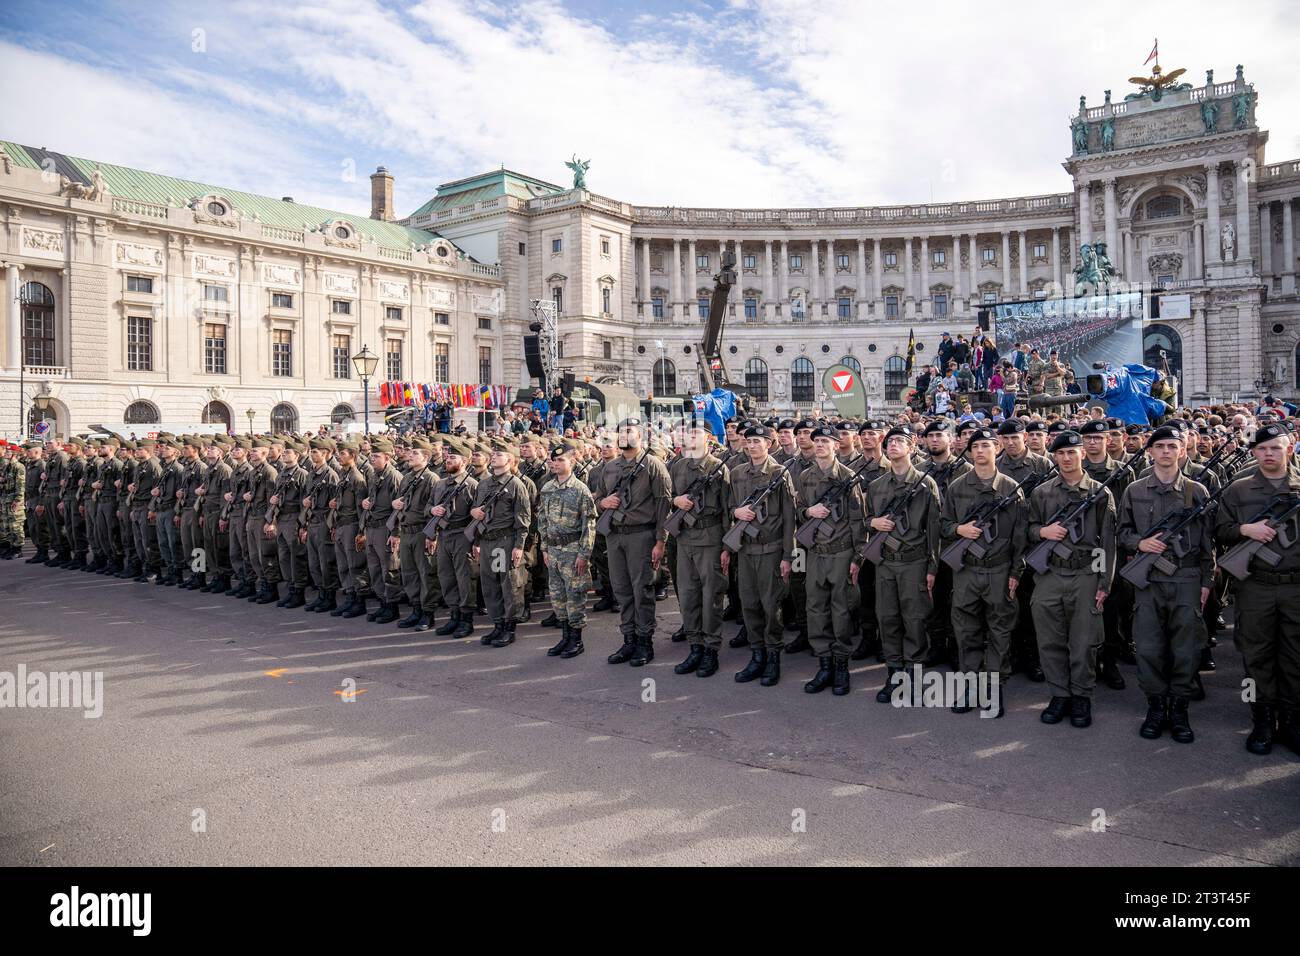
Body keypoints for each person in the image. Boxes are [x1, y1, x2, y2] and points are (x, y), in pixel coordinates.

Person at [1117, 425, 1214, 744]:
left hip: (1185, 578)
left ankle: (1180, 709)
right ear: (1150, 451)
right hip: (1149, 580)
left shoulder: (1194, 491)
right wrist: (1140, 544)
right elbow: (1123, 533)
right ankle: (1156, 707)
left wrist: (1206, 581)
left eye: (1173, 446)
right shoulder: (1136, 490)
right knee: (1148, 647)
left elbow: (1206, 543)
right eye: (1160, 447)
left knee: (1185, 649)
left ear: (1182, 450)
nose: (1167, 452)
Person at [1215, 423, 1300, 756]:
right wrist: (1244, 529)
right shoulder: (1238, 490)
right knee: (1255, 657)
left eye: (1276, 448)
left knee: (1295, 657)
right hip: (1255, 587)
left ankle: (1293, 721)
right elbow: (1219, 531)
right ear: (1253, 452)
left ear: (1289, 449)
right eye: (1262, 449)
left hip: (1296, 586)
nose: (1269, 454)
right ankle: (1261, 718)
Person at [1027, 430, 1116, 729]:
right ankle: (1059, 694)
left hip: (1086, 574)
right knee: (1050, 639)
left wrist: (1104, 583)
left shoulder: (1100, 493)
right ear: (1054, 457)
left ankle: (1081, 696)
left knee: (1084, 641)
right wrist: (1043, 532)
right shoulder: (1042, 493)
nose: (1066, 458)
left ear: (1082, 454)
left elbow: (1109, 542)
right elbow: (1028, 529)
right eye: (1061, 453)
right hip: (1051, 573)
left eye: (1071, 452)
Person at [866, 425, 940, 702]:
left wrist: (932, 568)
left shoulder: (924, 483)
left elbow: (933, 529)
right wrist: (872, 522)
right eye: (891, 441)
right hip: (885, 562)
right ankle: (894, 673)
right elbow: (863, 519)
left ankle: (915, 674)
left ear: (911, 447)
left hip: (914, 562)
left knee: (915, 619)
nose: (894, 445)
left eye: (901, 441)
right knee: (887, 619)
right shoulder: (876, 486)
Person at [796, 426, 866, 695]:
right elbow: (798, 509)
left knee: (841, 609)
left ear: (837, 445)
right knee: (815, 608)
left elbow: (859, 521)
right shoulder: (805, 476)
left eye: (826, 441)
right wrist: (808, 511)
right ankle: (823, 663)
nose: (820, 444)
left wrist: (857, 558)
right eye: (817, 441)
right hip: (815, 552)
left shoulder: (848, 478)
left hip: (841, 552)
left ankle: (840, 667)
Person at [596, 418, 671, 666]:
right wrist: (602, 504)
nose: (623, 435)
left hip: (642, 534)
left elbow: (664, 506)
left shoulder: (653, 465)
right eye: (620, 432)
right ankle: (628, 639)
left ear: (640, 436)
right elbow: (598, 498)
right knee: (622, 590)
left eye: (629, 431)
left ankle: (644, 641)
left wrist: (660, 542)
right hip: (615, 535)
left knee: (643, 590)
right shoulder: (609, 467)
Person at [670, 420, 731, 678]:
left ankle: (711, 648)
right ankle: (694, 645)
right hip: (685, 538)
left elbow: (728, 509)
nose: (691, 437)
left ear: (708, 438)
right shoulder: (679, 465)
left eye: (696, 433)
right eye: (688, 432)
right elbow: (668, 496)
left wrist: (727, 546)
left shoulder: (718, 468)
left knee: (711, 596)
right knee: (687, 594)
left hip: (710, 538)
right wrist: (676, 500)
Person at [538, 441, 597, 658]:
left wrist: (584, 555)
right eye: (553, 460)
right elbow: (542, 520)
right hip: (553, 551)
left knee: (575, 597)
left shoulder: (580, 490)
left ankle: (576, 640)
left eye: (561, 460)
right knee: (557, 597)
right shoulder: (547, 488)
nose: (555, 464)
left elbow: (589, 525)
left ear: (572, 462)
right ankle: (564, 637)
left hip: (573, 551)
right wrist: (544, 548)